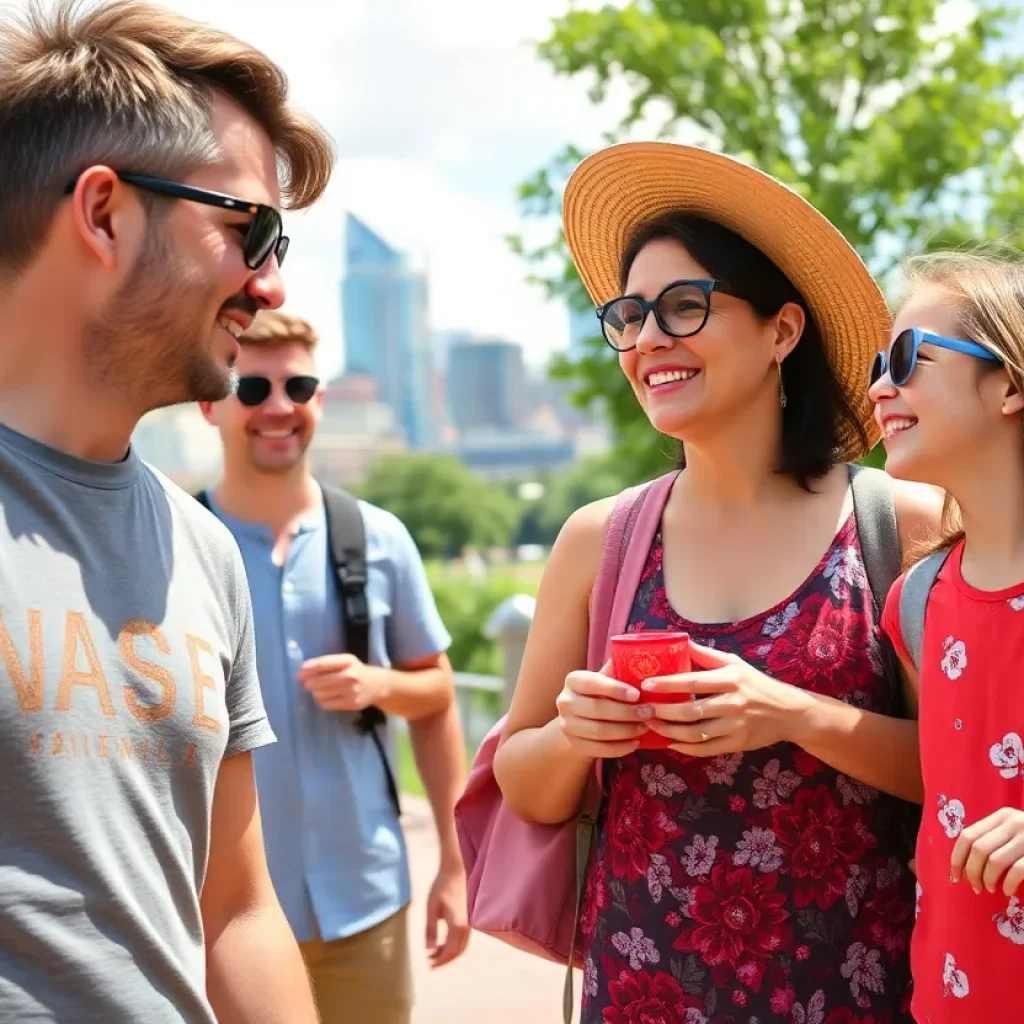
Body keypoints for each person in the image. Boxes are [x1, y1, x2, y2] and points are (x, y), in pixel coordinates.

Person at [493, 141, 943, 1023]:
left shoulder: (902, 523)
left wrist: (789, 713)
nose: (649, 339)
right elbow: (521, 780)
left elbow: (959, 770)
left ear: (783, 329)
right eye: (628, 314)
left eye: (685, 306)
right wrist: (580, 733)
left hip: (855, 992)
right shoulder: (602, 540)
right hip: (640, 991)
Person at [0, 2, 334, 1021]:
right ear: (104, 213)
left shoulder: (204, 550)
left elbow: (233, 910)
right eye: (249, 229)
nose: (268, 280)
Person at [199, 310, 470, 1024]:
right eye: (251, 388)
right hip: (214, 920)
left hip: (366, 903)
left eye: (300, 385)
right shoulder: (174, 546)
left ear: (321, 400)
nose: (278, 406)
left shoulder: (379, 538)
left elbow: (439, 694)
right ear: (209, 403)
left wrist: (456, 862)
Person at [871, 248, 1024, 1021]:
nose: (878, 388)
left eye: (906, 359)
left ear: (1010, 384)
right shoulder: (917, 603)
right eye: (876, 363)